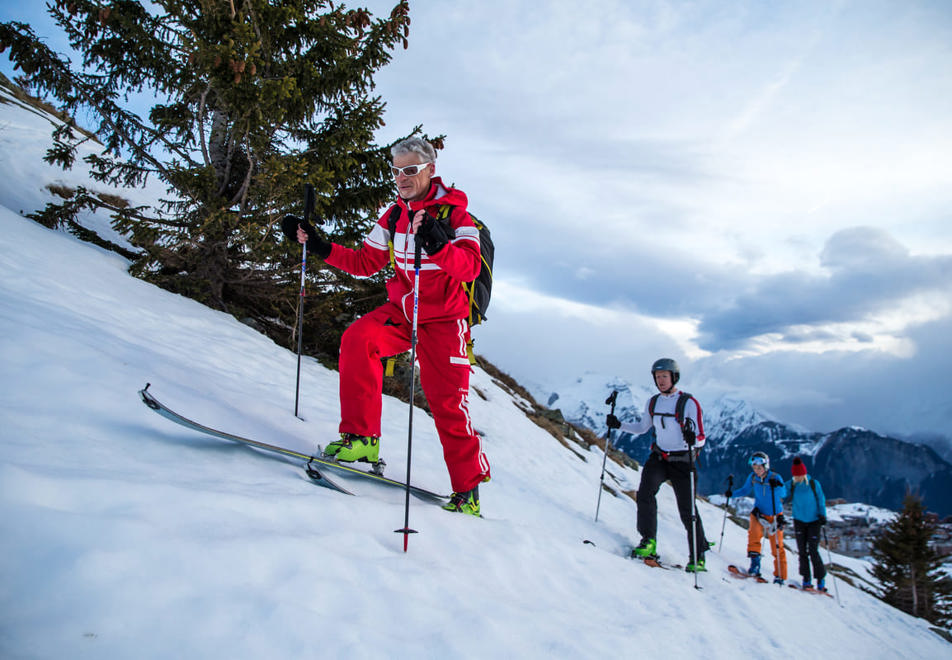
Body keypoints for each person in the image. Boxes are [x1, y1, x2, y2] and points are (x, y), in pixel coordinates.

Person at [282, 137, 490, 516]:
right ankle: (362, 438)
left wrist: (439, 245)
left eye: (410, 170)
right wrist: (319, 245)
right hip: (404, 311)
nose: (402, 178)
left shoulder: (458, 216)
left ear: (430, 169)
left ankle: (468, 491)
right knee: (359, 337)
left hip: (445, 319)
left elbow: (470, 268)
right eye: (396, 171)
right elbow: (365, 262)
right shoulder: (393, 216)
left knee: (447, 402)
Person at [606, 358, 710, 572]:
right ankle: (648, 540)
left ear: (674, 377)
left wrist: (693, 439)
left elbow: (701, 437)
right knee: (644, 493)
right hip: (660, 457)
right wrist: (619, 425)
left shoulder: (689, 403)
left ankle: (698, 555)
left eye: (664, 376)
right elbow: (643, 428)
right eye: (657, 377)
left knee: (687, 509)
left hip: (683, 460)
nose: (660, 381)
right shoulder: (653, 402)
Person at [726, 451, 788, 583]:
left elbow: (783, 493)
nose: (756, 470)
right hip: (758, 513)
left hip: (775, 516)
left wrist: (776, 486)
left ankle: (780, 576)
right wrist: (731, 494)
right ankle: (755, 565)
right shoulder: (753, 477)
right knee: (753, 537)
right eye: (754, 468)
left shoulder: (775, 477)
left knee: (777, 546)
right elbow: (744, 490)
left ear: (765, 466)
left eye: (759, 468)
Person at [785, 456, 828, 591]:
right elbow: (781, 491)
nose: (797, 478)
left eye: (799, 475)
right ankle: (806, 578)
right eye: (795, 476)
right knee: (802, 551)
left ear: (804, 473)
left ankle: (820, 580)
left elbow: (821, 500)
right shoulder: (791, 484)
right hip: (799, 521)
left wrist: (823, 515)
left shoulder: (814, 484)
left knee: (813, 551)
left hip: (814, 521)